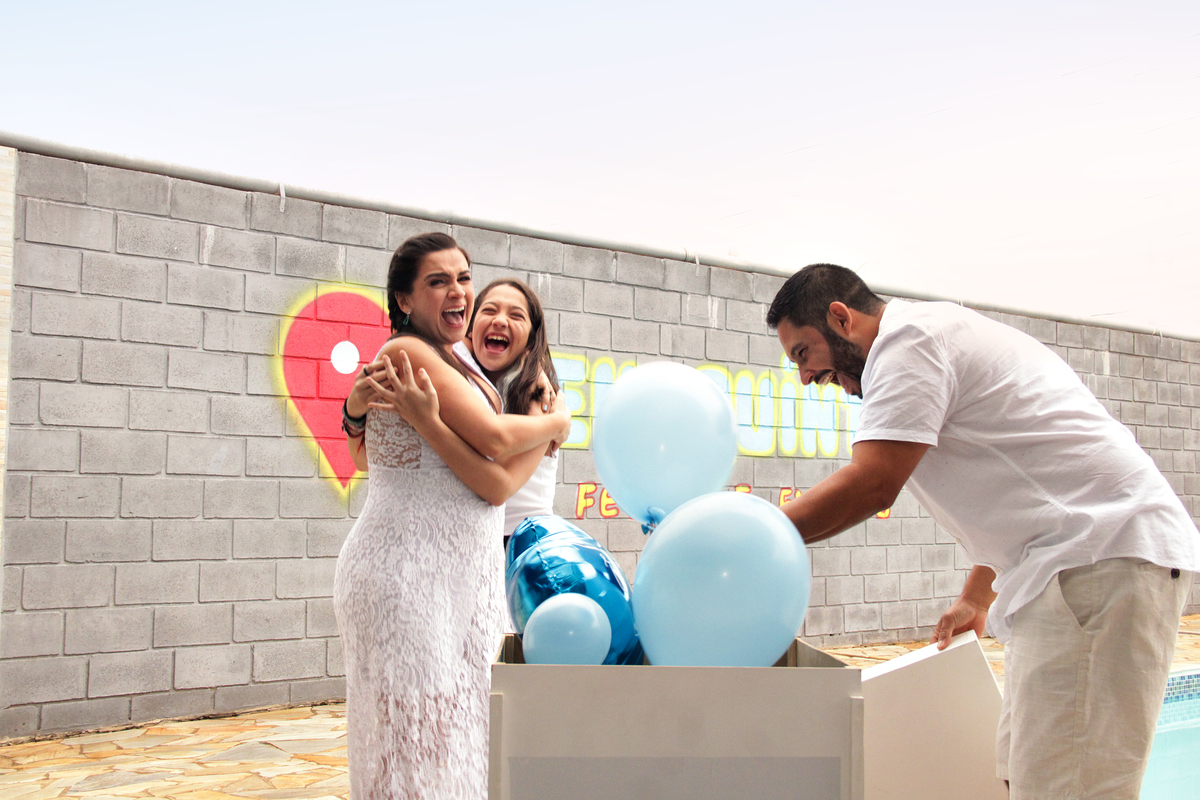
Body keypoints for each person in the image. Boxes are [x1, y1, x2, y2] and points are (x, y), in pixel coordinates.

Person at [767, 263, 1199, 799]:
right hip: (1076, 566)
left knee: (1070, 788)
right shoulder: (932, 334)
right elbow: (1025, 480)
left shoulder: (908, 343)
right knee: (1025, 775)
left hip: (1097, 563)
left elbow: (874, 482)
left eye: (802, 354)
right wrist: (977, 595)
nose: (806, 377)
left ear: (841, 318)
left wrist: (756, 537)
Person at [335, 232, 571, 800]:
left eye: (464, 278)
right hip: (407, 573)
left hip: (453, 577)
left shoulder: (456, 362)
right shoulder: (411, 352)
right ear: (404, 300)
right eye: (437, 281)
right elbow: (491, 437)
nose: (458, 292)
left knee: (448, 735)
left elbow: (374, 454)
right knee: (413, 743)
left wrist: (359, 413)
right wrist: (558, 424)